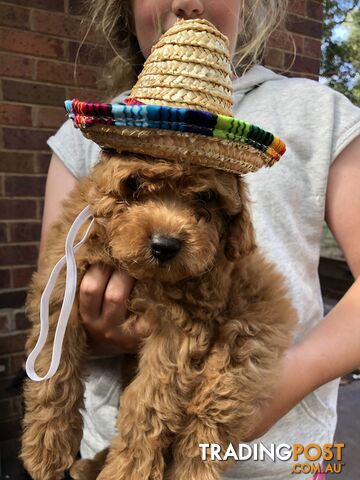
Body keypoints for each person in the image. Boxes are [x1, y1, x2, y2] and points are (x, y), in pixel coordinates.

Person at [41, 0, 360, 479]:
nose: (186, 1)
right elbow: (53, 291)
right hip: (108, 445)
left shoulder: (319, 111)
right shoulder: (84, 135)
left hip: (282, 458)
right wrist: (98, 332)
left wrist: (279, 383)